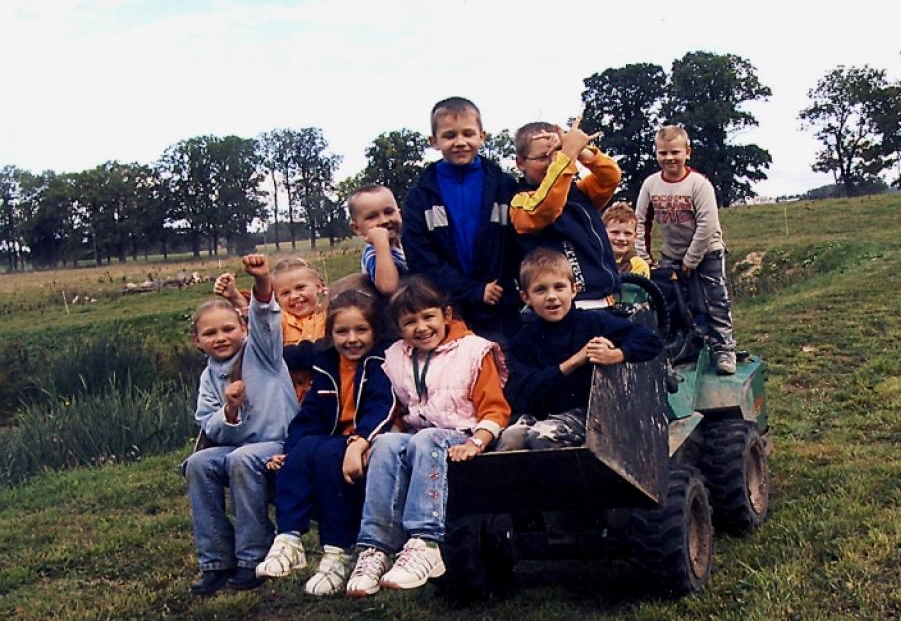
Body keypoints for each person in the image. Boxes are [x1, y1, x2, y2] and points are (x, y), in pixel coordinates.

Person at [345, 276, 510, 597]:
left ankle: (425, 542)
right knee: (387, 442)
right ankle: (375, 546)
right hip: (417, 438)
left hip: (462, 435)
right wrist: (371, 445)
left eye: (428, 317)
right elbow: (394, 412)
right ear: (398, 327)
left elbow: (495, 409)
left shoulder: (474, 351)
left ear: (446, 315)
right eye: (409, 322)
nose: (420, 328)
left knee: (427, 438)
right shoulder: (396, 357)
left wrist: (477, 441)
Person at [253, 289, 397, 596]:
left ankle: (338, 552)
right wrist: (288, 452)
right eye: (342, 331)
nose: (351, 339)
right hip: (333, 437)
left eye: (361, 330)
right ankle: (288, 538)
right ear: (330, 334)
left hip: (367, 438)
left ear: (375, 331)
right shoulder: (327, 363)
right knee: (302, 450)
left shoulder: (381, 361)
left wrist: (361, 440)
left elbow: (383, 406)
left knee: (329, 458)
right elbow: (311, 415)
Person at [183, 254, 300, 596]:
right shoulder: (208, 377)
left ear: (243, 328)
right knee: (198, 463)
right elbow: (210, 427)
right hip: (237, 445)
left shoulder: (261, 351)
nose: (220, 337)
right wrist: (229, 410)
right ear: (197, 341)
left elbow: (266, 315)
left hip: (278, 442)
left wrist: (262, 281)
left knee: (241, 458)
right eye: (210, 333)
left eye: (228, 329)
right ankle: (216, 561)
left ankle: (253, 556)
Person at [498, 248, 661, 451]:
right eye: (541, 290)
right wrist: (575, 361)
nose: (552, 297)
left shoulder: (592, 323)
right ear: (526, 297)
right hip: (539, 413)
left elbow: (651, 341)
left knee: (542, 437)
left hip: (588, 415)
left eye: (559, 287)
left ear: (574, 289)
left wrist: (616, 355)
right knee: (510, 438)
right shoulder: (523, 341)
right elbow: (522, 392)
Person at [401, 96, 520, 344]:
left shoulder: (504, 186)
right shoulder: (420, 195)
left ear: (482, 136)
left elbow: (517, 243)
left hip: (500, 308)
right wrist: (473, 291)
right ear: (434, 141)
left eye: (468, 133)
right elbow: (420, 257)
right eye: (449, 135)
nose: (460, 142)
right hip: (448, 310)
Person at [635, 125, 737, 374]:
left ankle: (724, 349)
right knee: (674, 301)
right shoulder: (650, 184)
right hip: (672, 253)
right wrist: (643, 257)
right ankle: (683, 345)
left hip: (706, 250)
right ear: (656, 154)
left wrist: (691, 260)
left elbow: (707, 224)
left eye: (675, 152)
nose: (669, 158)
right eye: (663, 153)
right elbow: (640, 221)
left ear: (687, 153)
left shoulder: (698, 185)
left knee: (715, 300)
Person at [510, 116, 621, 306]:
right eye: (543, 158)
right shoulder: (519, 202)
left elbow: (611, 176)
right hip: (558, 308)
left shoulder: (580, 192)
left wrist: (581, 151)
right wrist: (567, 156)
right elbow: (548, 205)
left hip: (604, 300)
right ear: (520, 163)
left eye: (558, 153)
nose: (554, 162)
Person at [214, 257, 327, 399]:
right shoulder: (281, 320)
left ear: (319, 286)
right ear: (277, 298)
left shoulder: (330, 317)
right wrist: (237, 299)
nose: (294, 296)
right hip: (290, 401)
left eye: (300, 288)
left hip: (329, 399)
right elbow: (261, 320)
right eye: (285, 293)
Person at [347, 184, 407, 295]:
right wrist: (381, 243)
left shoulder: (408, 243)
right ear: (357, 228)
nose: (384, 220)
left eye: (389, 212)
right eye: (372, 217)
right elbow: (388, 287)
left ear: (399, 214)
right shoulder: (373, 253)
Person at [602, 201, 650, 278]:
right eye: (615, 232)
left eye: (628, 234)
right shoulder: (594, 261)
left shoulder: (639, 265)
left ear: (635, 237)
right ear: (602, 234)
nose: (621, 238)